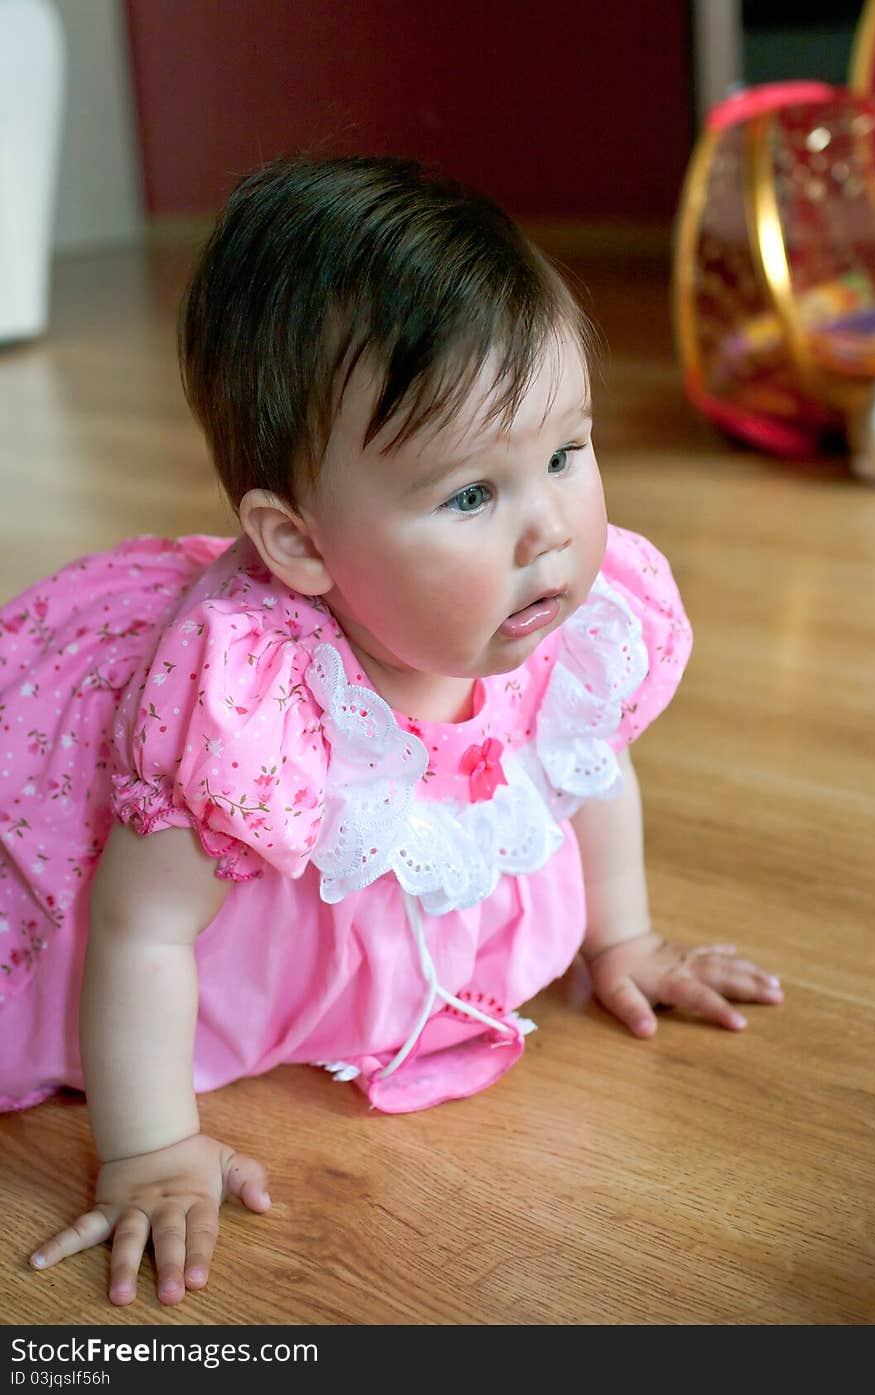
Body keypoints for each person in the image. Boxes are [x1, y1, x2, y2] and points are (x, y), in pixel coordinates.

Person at [0, 155, 783, 1307]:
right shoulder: (243, 712)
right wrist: (151, 1147)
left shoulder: (551, 610)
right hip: (197, 929)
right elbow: (141, 933)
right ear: (303, 544)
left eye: (565, 454)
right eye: (471, 495)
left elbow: (584, 767)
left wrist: (624, 940)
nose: (549, 534)